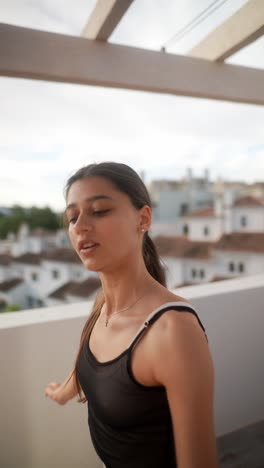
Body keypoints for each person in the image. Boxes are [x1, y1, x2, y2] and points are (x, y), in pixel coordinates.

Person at [44, 162, 219, 467]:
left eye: (99, 211)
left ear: (143, 218)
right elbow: (94, 363)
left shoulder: (173, 331)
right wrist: (64, 391)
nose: (81, 225)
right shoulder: (104, 306)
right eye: (73, 217)